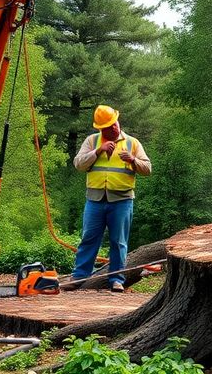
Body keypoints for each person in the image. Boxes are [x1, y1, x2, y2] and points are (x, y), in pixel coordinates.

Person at [68, 104, 152, 292]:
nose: (113, 128)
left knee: (118, 241)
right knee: (89, 238)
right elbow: (78, 164)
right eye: (108, 126)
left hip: (122, 201)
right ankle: (79, 277)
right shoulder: (92, 141)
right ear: (101, 128)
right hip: (95, 200)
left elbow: (148, 169)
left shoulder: (132, 143)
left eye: (114, 124)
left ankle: (116, 280)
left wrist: (133, 160)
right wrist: (97, 151)